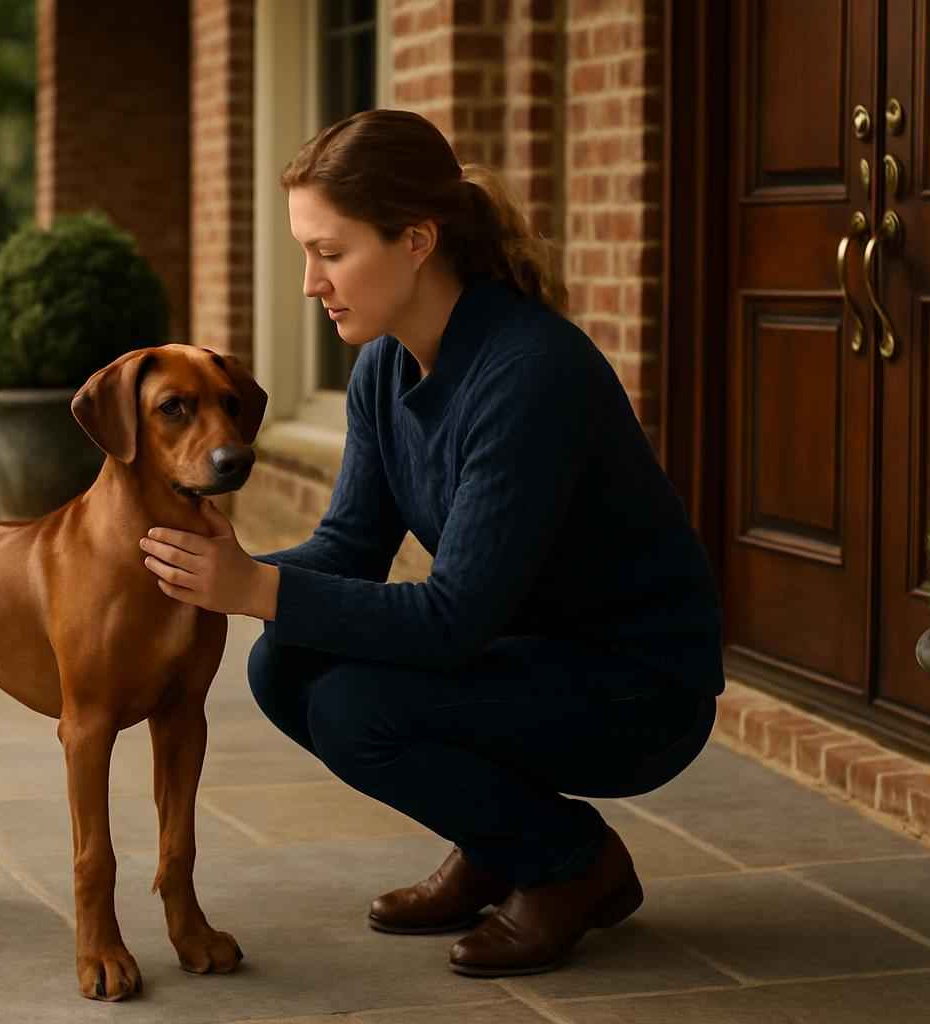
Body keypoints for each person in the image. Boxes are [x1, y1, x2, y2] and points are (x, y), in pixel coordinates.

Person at [135, 108, 723, 978]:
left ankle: (571, 864)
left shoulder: (529, 374)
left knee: (350, 707)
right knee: (284, 664)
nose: (310, 283)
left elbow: (452, 621)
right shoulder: (384, 362)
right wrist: (206, 574)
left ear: (416, 240)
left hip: (634, 687)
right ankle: (500, 841)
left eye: (330, 254)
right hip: (521, 653)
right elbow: (348, 546)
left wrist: (255, 589)